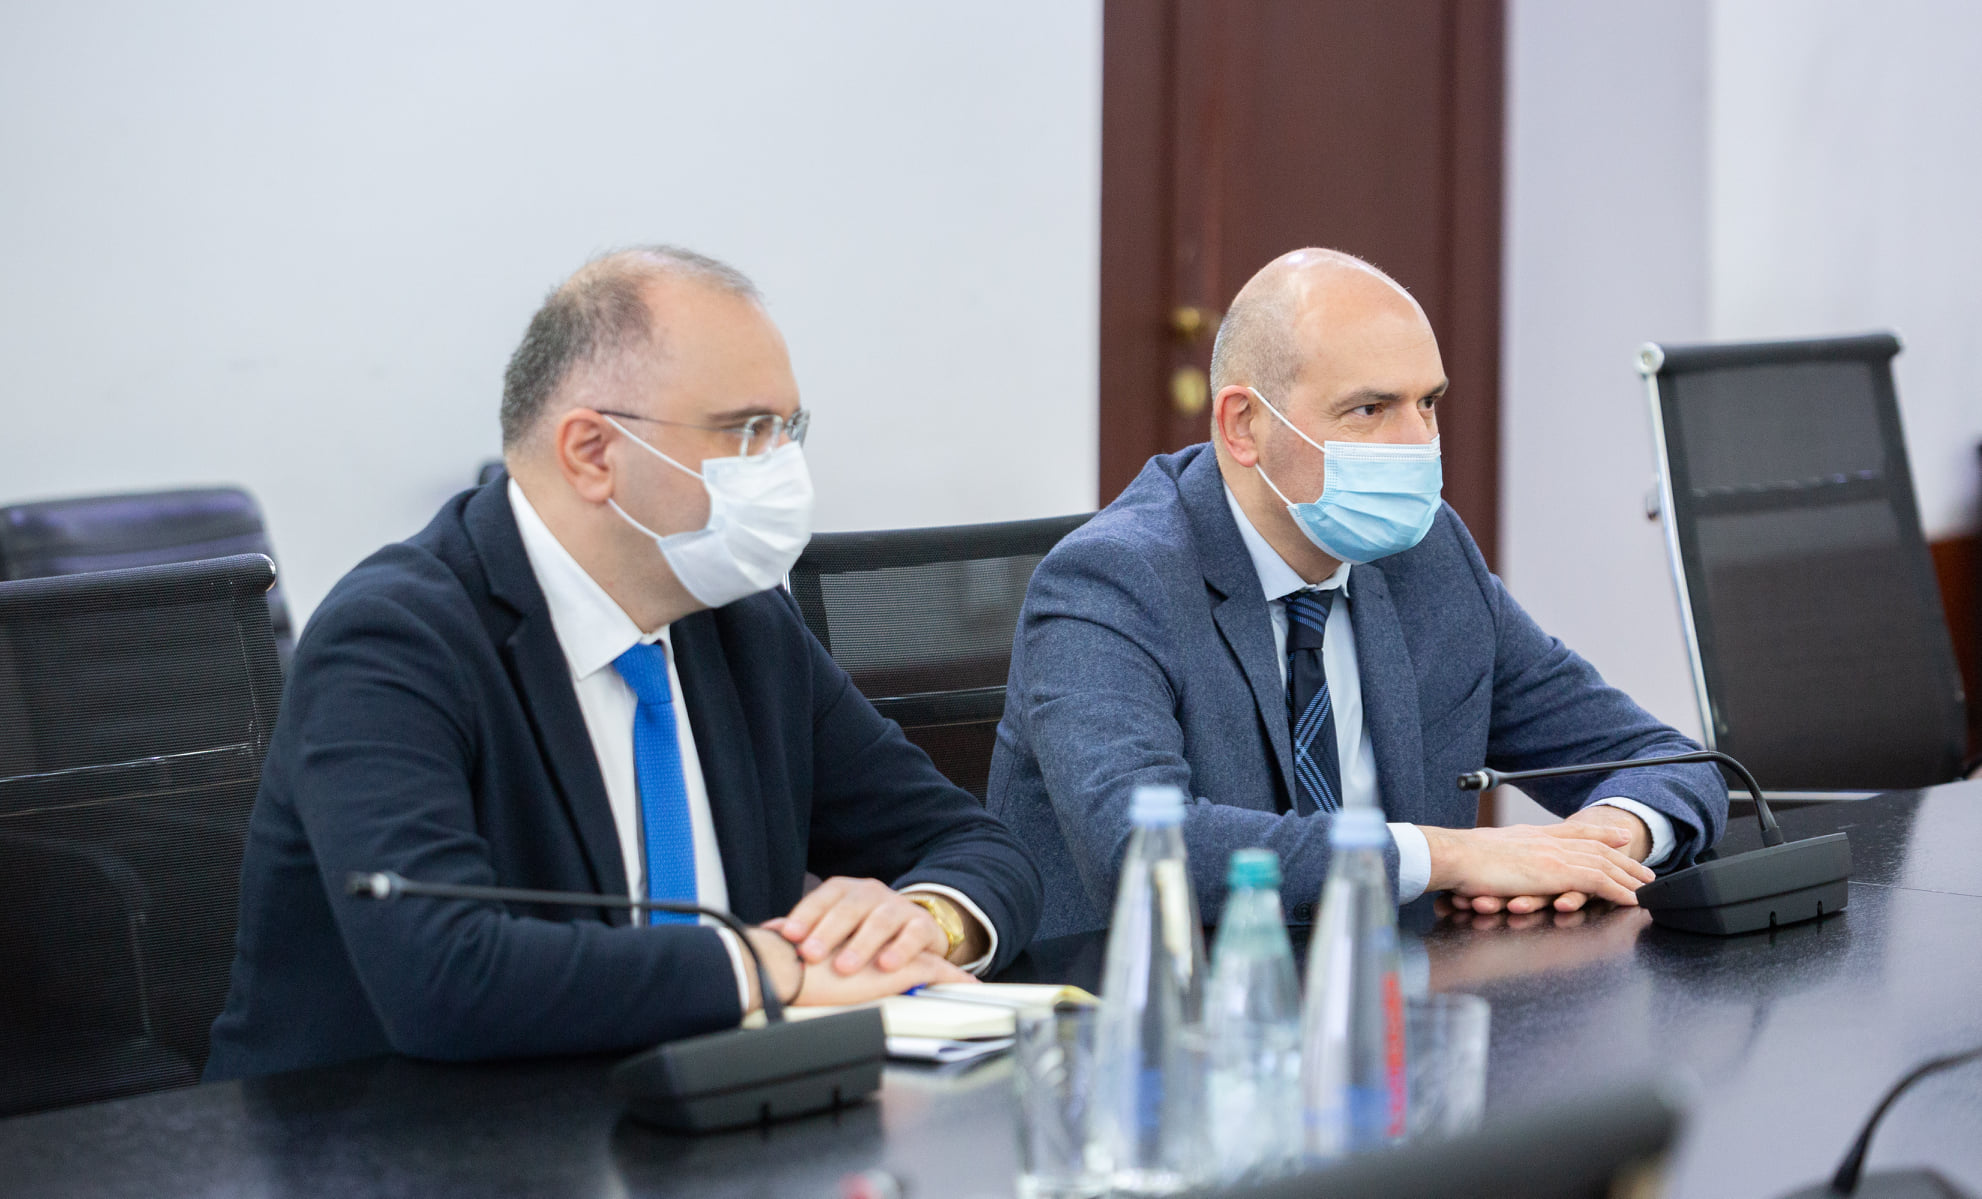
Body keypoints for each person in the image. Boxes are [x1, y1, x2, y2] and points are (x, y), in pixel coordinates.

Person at [206, 247, 1041, 1080]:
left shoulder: (744, 621)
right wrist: (771, 967)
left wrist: (921, 923)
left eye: (789, 430)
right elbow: (445, 973)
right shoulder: (391, 640)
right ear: (592, 452)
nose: (782, 467)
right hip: (393, 1128)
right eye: (747, 430)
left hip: (709, 1108)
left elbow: (975, 842)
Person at [987, 248, 1726, 939]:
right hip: (1154, 1009)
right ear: (1243, 425)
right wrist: (1449, 855)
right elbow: (1141, 845)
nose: (1416, 443)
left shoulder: (1427, 556)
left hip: (1394, 998)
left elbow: (1667, 760)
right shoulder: (1111, 581)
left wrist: (1603, 839)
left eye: (1427, 403)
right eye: (1369, 410)